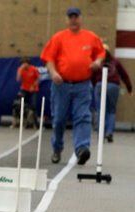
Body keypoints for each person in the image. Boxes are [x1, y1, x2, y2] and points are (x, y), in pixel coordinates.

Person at [40, 7, 105, 165]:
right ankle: (57, 148)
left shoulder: (91, 37)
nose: (74, 20)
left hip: (83, 85)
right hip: (61, 84)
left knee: (83, 116)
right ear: (67, 20)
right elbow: (48, 58)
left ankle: (82, 148)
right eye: (71, 17)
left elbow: (101, 53)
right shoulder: (59, 37)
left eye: (76, 17)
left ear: (81, 19)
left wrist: (97, 62)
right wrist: (53, 73)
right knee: (59, 119)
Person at [91, 44, 132, 143]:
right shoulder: (115, 61)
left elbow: (92, 75)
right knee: (111, 110)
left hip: (99, 85)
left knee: (100, 110)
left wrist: (93, 86)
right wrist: (129, 88)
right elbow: (124, 75)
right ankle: (109, 132)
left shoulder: (97, 61)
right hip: (114, 86)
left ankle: (101, 132)